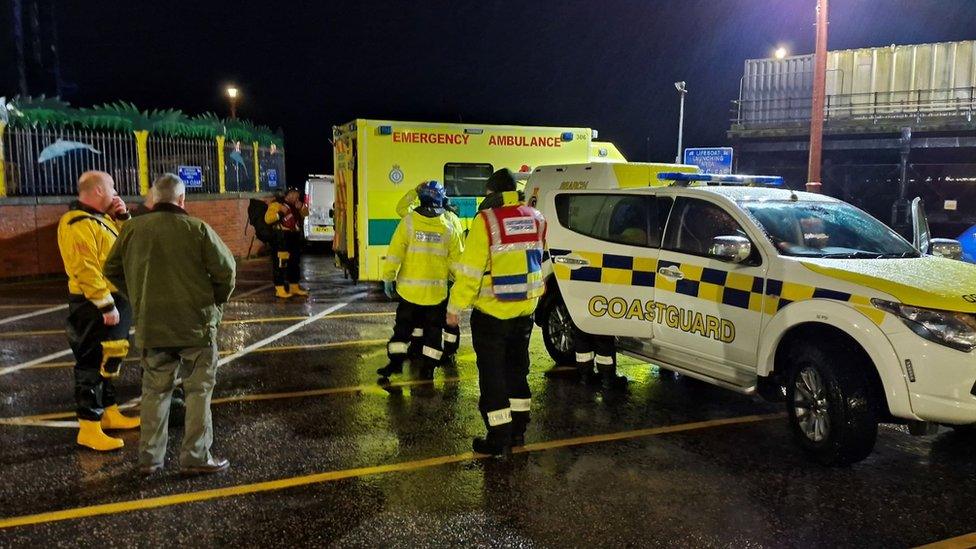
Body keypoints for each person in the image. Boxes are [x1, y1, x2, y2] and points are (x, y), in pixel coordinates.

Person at [104, 173, 236, 476]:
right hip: (196, 326)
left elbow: (110, 268)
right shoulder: (197, 229)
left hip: (153, 324)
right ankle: (196, 456)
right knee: (198, 392)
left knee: (154, 392)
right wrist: (214, 301)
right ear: (182, 199)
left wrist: (137, 295)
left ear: (156, 198)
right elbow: (227, 271)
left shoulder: (133, 229)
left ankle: (149, 460)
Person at [446, 168, 546, 456]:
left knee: (493, 375)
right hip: (525, 311)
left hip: (492, 313)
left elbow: (470, 272)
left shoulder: (486, 221)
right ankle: (518, 430)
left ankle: (498, 437)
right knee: (518, 371)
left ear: (493, 194)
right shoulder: (536, 218)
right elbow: (540, 259)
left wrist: (454, 308)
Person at [57, 170, 140, 452]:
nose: (116, 191)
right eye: (112, 187)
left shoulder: (102, 219)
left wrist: (123, 216)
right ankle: (89, 427)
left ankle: (108, 411)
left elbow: (130, 246)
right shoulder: (76, 223)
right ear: (99, 191)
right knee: (91, 362)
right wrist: (105, 304)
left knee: (111, 357)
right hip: (93, 306)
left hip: (115, 298)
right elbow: (85, 267)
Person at [377, 181, 462, 380]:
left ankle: (395, 364)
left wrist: (388, 278)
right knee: (433, 334)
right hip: (436, 294)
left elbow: (395, 253)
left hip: (409, 292)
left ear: (421, 197)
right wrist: (458, 285)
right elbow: (456, 262)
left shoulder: (408, 222)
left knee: (402, 331)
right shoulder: (449, 226)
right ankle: (428, 370)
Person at [265, 187, 310, 299]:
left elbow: (306, 214)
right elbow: (268, 219)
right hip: (282, 238)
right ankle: (279, 289)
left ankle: (294, 286)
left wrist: (302, 208)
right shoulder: (277, 204)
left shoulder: (296, 205)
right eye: (294, 194)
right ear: (288, 195)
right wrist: (280, 213)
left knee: (295, 262)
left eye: (298, 194)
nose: (297, 197)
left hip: (294, 236)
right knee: (281, 263)